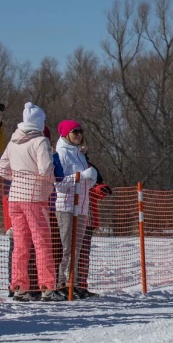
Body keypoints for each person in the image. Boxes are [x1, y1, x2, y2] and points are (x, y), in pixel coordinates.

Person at [0, 102, 64, 301]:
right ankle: (47, 287)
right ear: (39, 122)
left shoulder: (13, 141)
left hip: (15, 198)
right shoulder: (40, 142)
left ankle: (19, 287)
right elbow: (45, 170)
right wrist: (50, 181)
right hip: (35, 198)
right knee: (42, 242)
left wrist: (18, 177)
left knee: (20, 244)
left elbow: (2, 169)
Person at [54, 120, 98, 298]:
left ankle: (74, 283)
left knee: (77, 248)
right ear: (65, 134)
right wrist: (80, 177)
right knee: (66, 247)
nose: (79, 135)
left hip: (81, 206)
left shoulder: (79, 153)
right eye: (75, 132)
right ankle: (61, 283)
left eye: (80, 132)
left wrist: (91, 178)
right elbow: (59, 183)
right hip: (66, 206)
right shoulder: (62, 153)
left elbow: (83, 180)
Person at [76, 140, 112, 298]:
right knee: (70, 252)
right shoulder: (67, 163)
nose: (83, 149)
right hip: (72, 215)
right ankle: (68, 285)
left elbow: (98, 189)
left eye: (84, 147)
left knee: (84, 253)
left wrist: (101, 189)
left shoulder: (91, 167)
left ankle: (81, 285)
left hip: (89, 216)